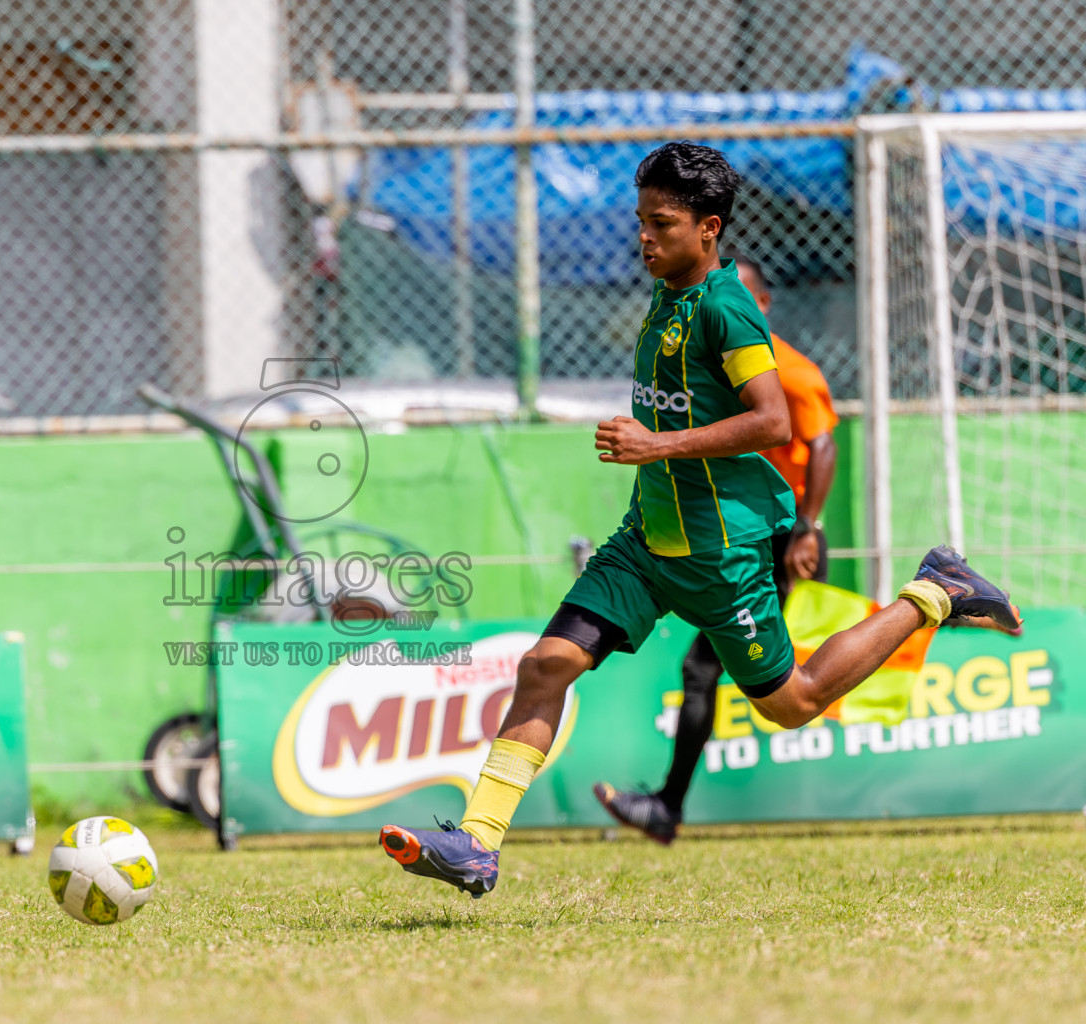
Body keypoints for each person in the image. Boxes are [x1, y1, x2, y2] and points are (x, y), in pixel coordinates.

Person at [377, 142, 1021, 898]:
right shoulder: (667, 292)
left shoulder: (725, 308)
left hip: (723, 554)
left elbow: (774, 420)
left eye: (662, 224)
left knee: (794, 702)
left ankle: (934, 592)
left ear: (709, 228)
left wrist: (659, 443)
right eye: (641, 221)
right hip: (646, 541)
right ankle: (477, 843)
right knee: (545, 664)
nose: (644, 238)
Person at [591, 253, 840, 844]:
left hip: (777, 536)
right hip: (735, 530)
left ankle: (668, 807)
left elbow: (822, 447)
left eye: (750, 300)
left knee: (741, 678)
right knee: (726, 675)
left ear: (764, 306)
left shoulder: (792, 372)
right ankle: (667, 806)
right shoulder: (710, 362)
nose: (735, 311)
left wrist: (807, 528)